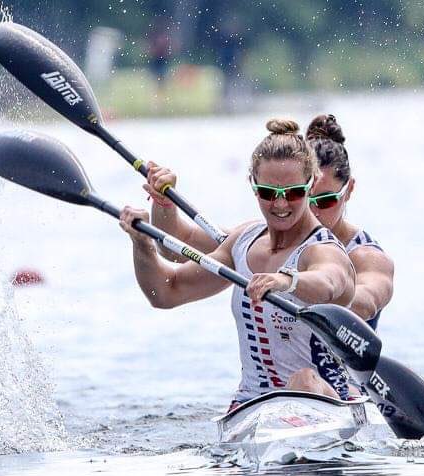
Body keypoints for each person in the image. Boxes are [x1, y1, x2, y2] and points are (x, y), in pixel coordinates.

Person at [119, 119, 356, 408]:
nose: (280, 205)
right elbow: (166, 291)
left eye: (293, 193)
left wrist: (287, 280)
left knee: (303, 379)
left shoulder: (323, 249)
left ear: (310, 185)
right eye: (268, 193)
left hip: (325, 402)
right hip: (251, 406)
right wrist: (142, 243)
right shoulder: (242, 242)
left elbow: (328, 282)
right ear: (253, 186)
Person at [146, 114, 394, 330]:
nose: (311, 210)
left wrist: (292, 282)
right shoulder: (256, 242)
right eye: (301, 196)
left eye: (326, 200)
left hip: (340, 376)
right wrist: (163, 203)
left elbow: (360, 302)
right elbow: (175, 245)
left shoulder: (366, 257)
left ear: (349, 190)